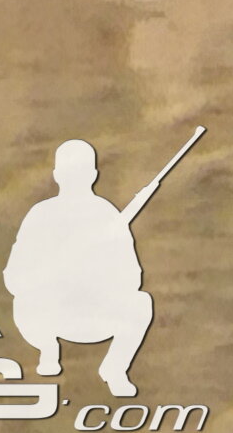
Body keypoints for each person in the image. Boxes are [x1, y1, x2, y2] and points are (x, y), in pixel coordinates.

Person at [10, 139, 157, 400]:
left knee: (141, 303)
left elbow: (132, 276)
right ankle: (48, 349)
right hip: (50, 315)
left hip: (96, 314)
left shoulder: (107, 215)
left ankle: (115, 369)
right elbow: (14, 276)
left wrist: (95, 273)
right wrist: (50, 277)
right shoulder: (40, 215)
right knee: (23, 302)